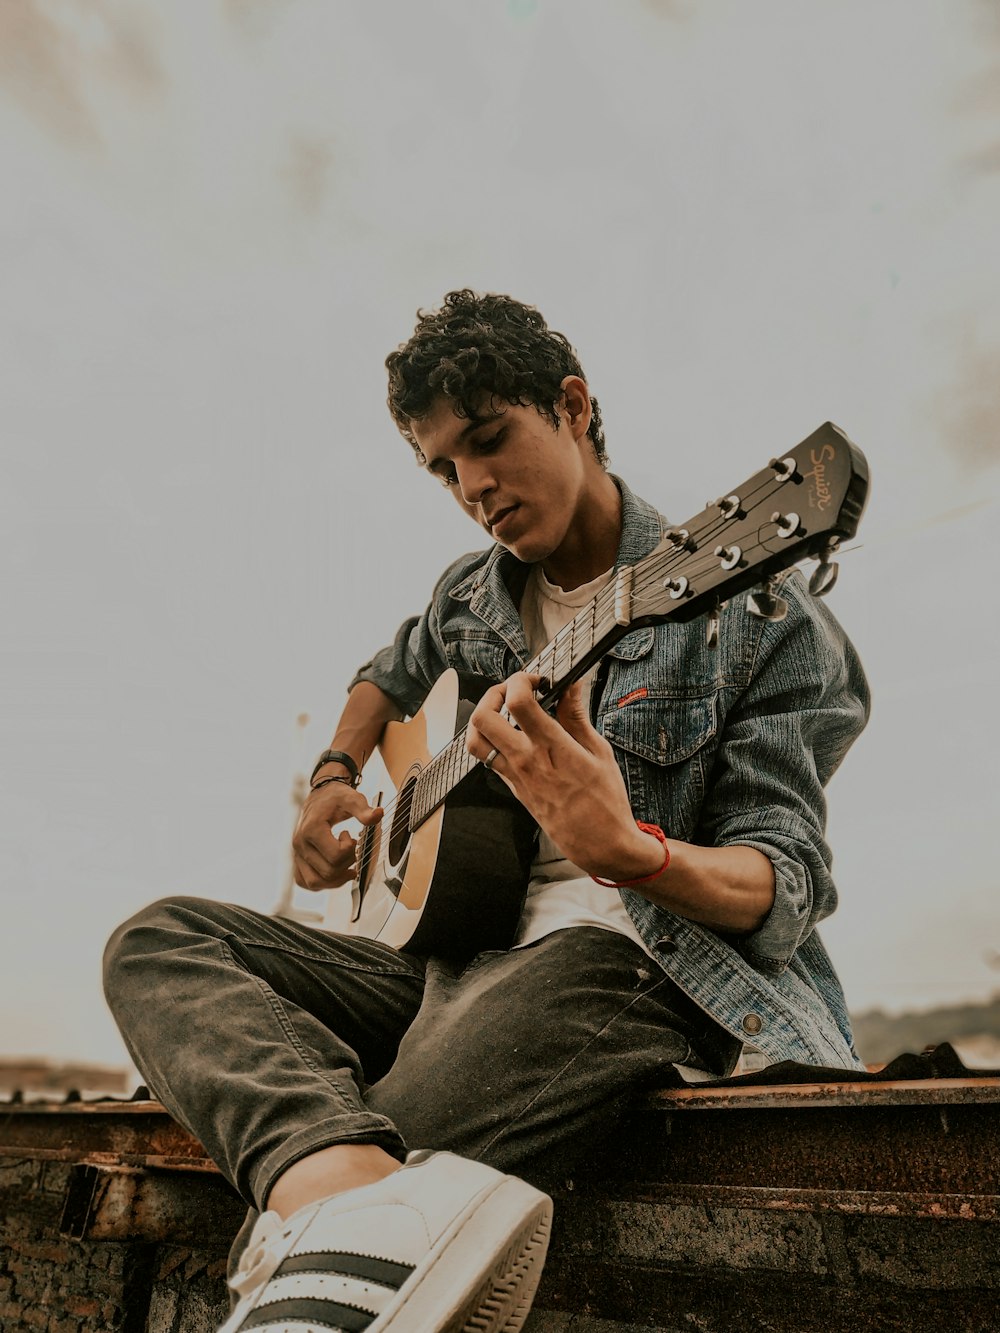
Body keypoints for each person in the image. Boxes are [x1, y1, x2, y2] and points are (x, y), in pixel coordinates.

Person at [103, 289, 870, 1333]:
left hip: (635, 956)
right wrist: (337, 772)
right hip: (453, 961)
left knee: (408, 1123)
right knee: (158, 940)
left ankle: (323, 1234)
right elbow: (391, 668)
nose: (472, 487)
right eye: (442, 468)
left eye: (488, 440)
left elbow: (783, 888)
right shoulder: (470, 594)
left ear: (573, 405)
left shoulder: (753, 614)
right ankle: (349, 1207)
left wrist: (631, 851)